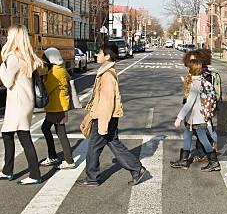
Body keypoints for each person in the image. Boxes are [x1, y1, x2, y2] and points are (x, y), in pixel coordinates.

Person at [77, 43, 149, 186]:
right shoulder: (105, 72)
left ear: (107, 56)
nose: (97, 55)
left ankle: (92, 178)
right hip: (107, 117)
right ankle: (137, 169)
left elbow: (107, 101)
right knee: (115, 146)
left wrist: (102, 124)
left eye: (99, 52)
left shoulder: (107, 75)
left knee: (93, 148)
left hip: (104, 118)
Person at [0, 25, 43, 185]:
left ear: (14, 37)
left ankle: (33, 174)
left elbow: (7, 82)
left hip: (18, 102)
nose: (6, 37)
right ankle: (8, 171)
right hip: (25, 102)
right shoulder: (27, 56)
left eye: (9, 35)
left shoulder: (13, 58)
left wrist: (1, 68)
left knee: (22, 136)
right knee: (9, 134)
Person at [171, 58, 220, 171]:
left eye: (188, 67)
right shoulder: (203, 81)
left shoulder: (195, 84)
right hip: (196, 118)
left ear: (191, 69)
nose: (187, 69)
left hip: (197, 119)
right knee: (187, 136)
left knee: (203, 139)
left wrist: (179, 118)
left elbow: (189, 104)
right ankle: (183, 161)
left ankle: (214, 162)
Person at [39, 47, 76, 170]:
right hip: (56, 106)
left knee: (60, 132)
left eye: (45, 59)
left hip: (57, 106)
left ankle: (68, 160)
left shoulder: (56, 72)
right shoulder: (61, 69)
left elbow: (47, 88)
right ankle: (53, 155)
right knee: (47, 128)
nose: (44, 61)